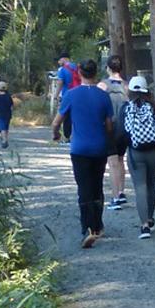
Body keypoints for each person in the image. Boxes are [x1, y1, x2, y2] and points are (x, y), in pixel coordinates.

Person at [51, 59, 113, 249]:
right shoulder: (103, 96)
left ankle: (87, 227)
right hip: (99, 147)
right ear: (96, 73)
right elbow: (109, 125)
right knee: (97, 185)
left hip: (79, 148)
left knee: (83, 187)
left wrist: (56, 135)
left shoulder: (71, 95)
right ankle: (98, 225)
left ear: (79, 72)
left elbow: (57, 122)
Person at [119, 74, 155, 239]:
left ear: (130, 91)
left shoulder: (126, 108)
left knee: (140, 187)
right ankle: (150, 218)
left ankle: (144, 225)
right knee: (151, 185)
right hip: (154, 153)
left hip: (135, 153)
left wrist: (117, 152)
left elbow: (121, 133)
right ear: (147, 90)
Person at [102, 56, 130, 211]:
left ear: (108, 68)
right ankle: (121, 191)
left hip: (110, 127)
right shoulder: (127, 86)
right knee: (120, 159)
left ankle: (115, 197)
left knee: (112, 162)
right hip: (125, 128)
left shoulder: (103, 86)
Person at [53, 54, 76, 141]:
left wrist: (56, 95)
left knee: (66, 117)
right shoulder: (76, 67)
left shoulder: (62, 70)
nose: (59, 62)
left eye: (59, 60)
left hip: (67, 96)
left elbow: (60, 83)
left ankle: (67, 137)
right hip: (78, 95)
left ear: (64, 59)